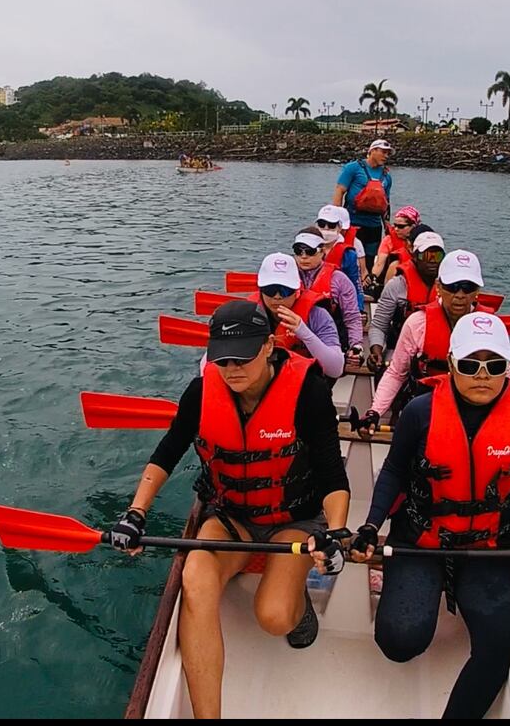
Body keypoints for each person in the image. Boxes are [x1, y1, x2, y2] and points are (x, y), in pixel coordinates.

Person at [110, 300, 351, 718]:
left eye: (243, 356)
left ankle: (296, 603)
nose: (232, 368)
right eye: (222, 359)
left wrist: (337, 532)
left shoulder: (309, 392)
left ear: (270, 345)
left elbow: (333, 478)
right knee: (196, 579)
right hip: (231, 517)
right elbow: (167, 452)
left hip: (295, 520)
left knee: (274, 617)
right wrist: (136, 513)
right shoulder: (203, 391)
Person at [348, 311, 510, 719]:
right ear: (451, 364)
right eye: (470, 364)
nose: (482, 374)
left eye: (494, 365)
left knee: (500, 644)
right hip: (420, 538)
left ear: (509, 368)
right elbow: (394, 471)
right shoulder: (419, 412)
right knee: (399, 642)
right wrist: (370, 525)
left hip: (490, 544)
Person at [359, 249, 507, 434]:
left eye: (467, 287)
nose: (460, 294)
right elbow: (397, 373)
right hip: (427, 406)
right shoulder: (417, 323)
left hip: (474, 411)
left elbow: (507, 375)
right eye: (452, 287)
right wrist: (375, 412)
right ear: (439, 286)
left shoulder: (491, 326)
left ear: (477, 291)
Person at [253, 252, 345, 379]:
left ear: (297, 290)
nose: (277, 296)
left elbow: (336, 369)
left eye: (285, 290)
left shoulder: (317, 316)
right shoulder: (249, 315)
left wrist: (303, 332)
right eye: (270, 289)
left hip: (305, 383)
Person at [366, 231, 445, 370]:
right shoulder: (396, 285)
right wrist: (376, 352)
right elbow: (379, 325)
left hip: (438, 355)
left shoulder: (450, 288)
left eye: (438, 256)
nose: (433, 260)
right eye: (427, 255)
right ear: (415, 257)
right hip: (399, 349)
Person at [290, 226, 363, 364]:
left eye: (310, 252)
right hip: (292, 343)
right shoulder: (285, 276)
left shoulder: (339, 280)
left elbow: (352, 317)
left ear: (322, 251)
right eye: (298, 251)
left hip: (328, 342)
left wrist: (356, 345)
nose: (303, 256)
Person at [332, 138, 393, 266]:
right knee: (351, 257)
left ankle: (368, 282)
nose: (386, 156)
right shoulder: (353, 168)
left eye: (388, 153)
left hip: (374, 225)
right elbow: (340, 190)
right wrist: (336, 219)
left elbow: (386, 202)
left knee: (370, 258)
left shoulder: (386, 176)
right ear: (373, 151)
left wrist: (387, 224)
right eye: (383, 152)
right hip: (353, 222)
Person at [369, 206, 421, 291]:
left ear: (413, 226)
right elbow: (379, 263)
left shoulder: (421, 241)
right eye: (395, 225)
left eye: (401, 226)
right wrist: (373, 277)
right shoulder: (388, 240)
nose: (396, 229)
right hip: (393, 278)